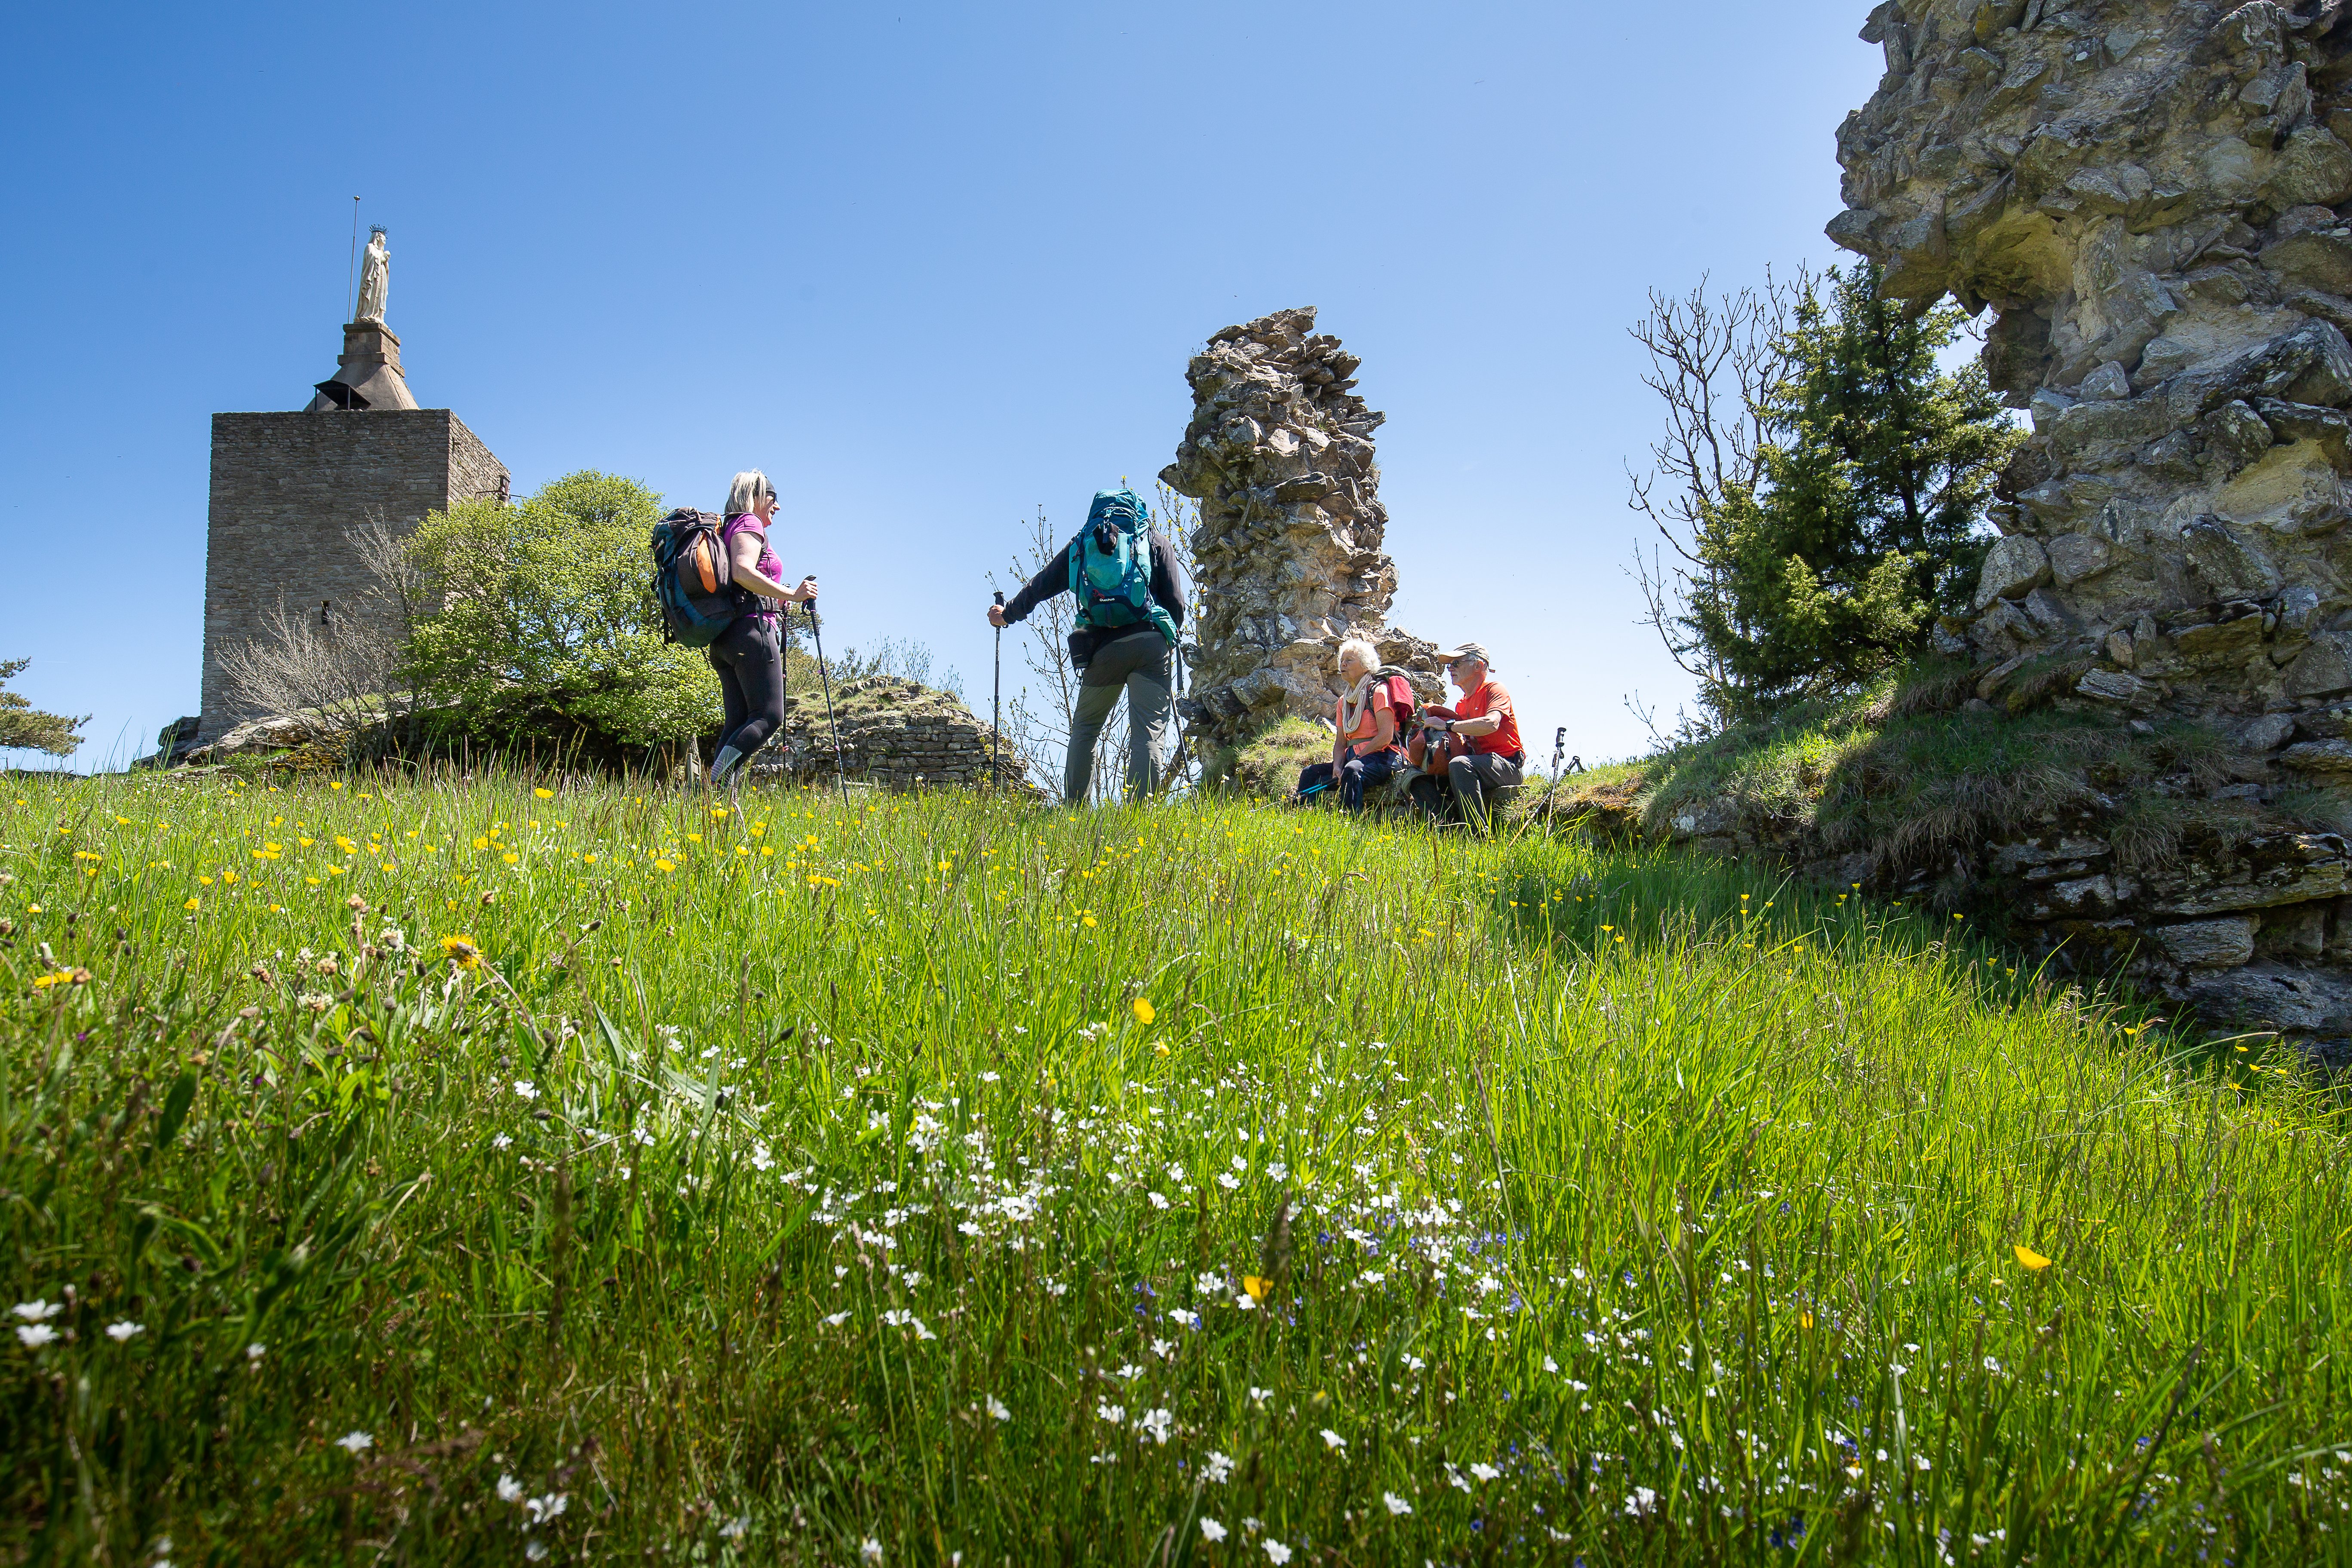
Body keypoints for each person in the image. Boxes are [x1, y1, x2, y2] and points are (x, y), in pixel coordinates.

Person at [989, 488, 1188, 804]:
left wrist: (1008, 614)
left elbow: (1041, 586)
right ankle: (1140, 821)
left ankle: (1074, 814)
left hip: (1103, 646)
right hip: (1150, 644)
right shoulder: (1154, 540)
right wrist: (1166, 633)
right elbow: (1176, 604)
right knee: (1147, 732)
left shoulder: (1084, 543)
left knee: (1085, 729)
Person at [707, 470, 818, 792]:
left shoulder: (727, 527)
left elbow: (742, 581)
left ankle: (717, 801)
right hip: (751, 633)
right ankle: (717, 777)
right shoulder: (748, 523)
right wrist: (792, 595)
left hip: (727, 638)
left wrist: (775, 600)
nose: (778, 506)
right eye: (773, 497)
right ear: (755, 495)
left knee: (738, 722)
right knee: (769, 716)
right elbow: (742, 570)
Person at [1406, 641, 1523, 829]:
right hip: (1478, 765)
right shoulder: (1461, 705)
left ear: (1478, 666)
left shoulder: (1494, 689)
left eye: (1457, 663)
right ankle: (1446, 830)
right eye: (1449, 665)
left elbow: (1491, 724)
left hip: (1507, 765)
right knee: (1418, 777)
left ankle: (1475, 834)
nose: (1450, 668)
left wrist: (1447, 725)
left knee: (1460, 764)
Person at [1293, 638, 1402, 812]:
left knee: (1352, 770)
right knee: (1310, 773)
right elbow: (1341, 743)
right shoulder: (1344, 701)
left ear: (1366, 665)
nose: (1343, 664)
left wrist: (1357, 759)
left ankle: (1351, 824)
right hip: (1354, 757)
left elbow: (1386, 736)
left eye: (1349, 660)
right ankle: (1301, 815)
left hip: (1384, 756)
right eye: (1342, 661)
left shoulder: (1379, 692)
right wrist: (1337, 766)